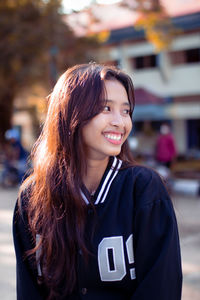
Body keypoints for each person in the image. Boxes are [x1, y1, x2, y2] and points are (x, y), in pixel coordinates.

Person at [13, 63, 182, 300]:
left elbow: (161, 288)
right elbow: (29, 291)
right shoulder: (32, 197)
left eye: (125, 111)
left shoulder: (144, 189)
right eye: (106, 108)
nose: (120, 122)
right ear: (71, 114)